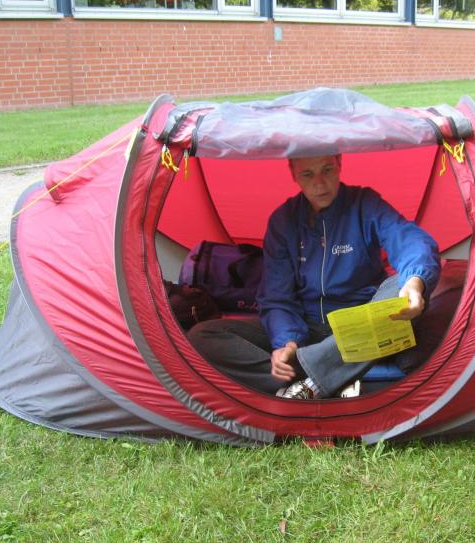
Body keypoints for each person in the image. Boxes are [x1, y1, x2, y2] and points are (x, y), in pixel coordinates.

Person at [188, 154, 441, 399]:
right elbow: (276, 295)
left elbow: (409, 239)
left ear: (339, 164)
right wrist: (287, 343)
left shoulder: (365, 204)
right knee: (203, 336)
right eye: (307, 174)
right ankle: (327, 379)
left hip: (360, 323)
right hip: (306, 328)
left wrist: (414, 281)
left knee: (401, 288)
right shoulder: (283, 221)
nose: (319, 183)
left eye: (327, 170)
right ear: (293, 174)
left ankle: (308, 385)